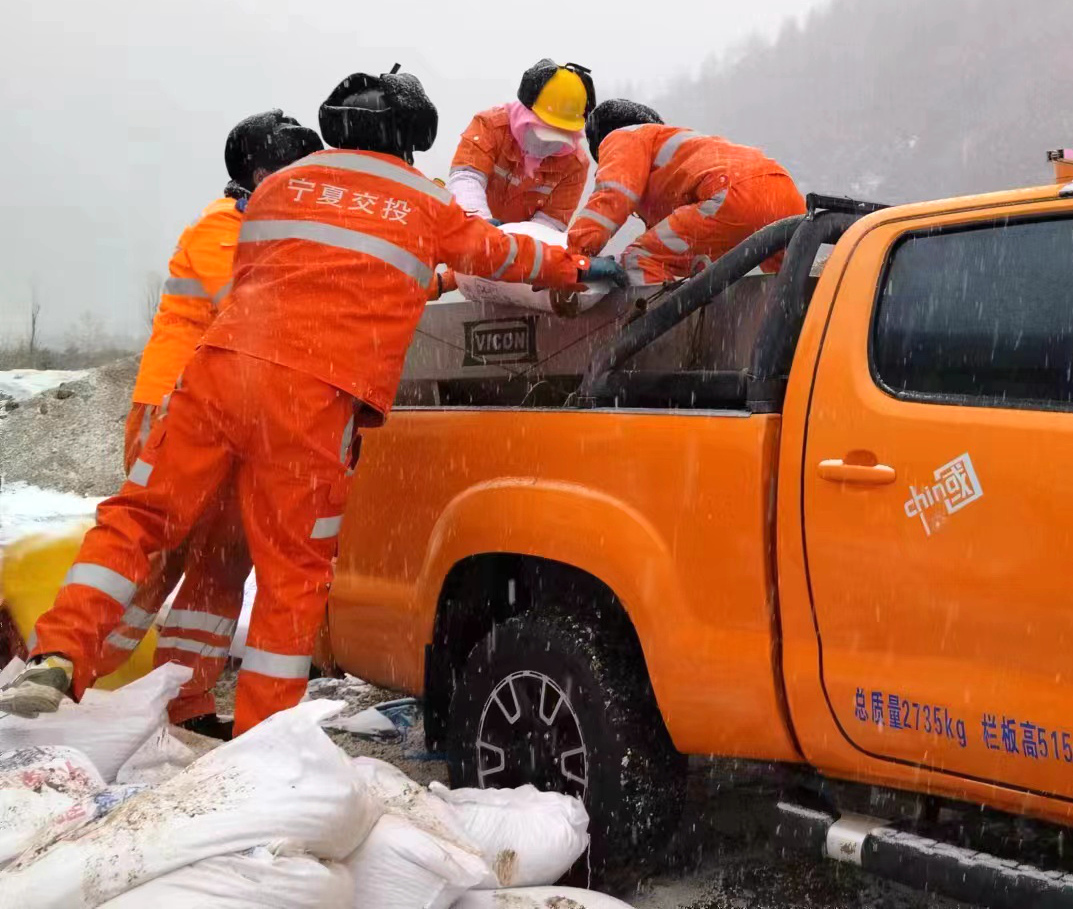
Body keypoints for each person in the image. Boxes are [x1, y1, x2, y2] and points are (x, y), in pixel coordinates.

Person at [0, 67, 626, 732]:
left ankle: (62, 650)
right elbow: (498, 254)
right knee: (290, 574)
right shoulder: (422, 199)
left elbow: (273, 276)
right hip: (312, 398)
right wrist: (581, 267)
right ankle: (260, 737)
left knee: (141, 518)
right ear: (408, 139)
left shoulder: (275, 190)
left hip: (216, 377)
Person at [97, 111, 322, 737]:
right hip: (175, 413)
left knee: (223, 566)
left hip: (236, 421)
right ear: (261, 173)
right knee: (156, 556)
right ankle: (73, 676)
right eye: (298, 176)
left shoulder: (271, 232)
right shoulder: (223, 229)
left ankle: (185, 703)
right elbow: (255, 308)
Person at [568, 100, 807, 283]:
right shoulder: (679, 148)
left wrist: (574, 257)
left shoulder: (625, 136)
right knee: (791, 285)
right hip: (783, 193)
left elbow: (614, 195)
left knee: (640, 259)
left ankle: (659, 344)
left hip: (729, 195)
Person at [447, 60, 594, 230]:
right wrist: (481, 227)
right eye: (545, 132)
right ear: (528, 113)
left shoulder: (575, 165)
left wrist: (515, 244)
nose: (548, 144)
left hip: (518, 250)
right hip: (465, 232)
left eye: (560, 136)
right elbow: (466, 178)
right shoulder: (490, 127)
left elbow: (550, 222)